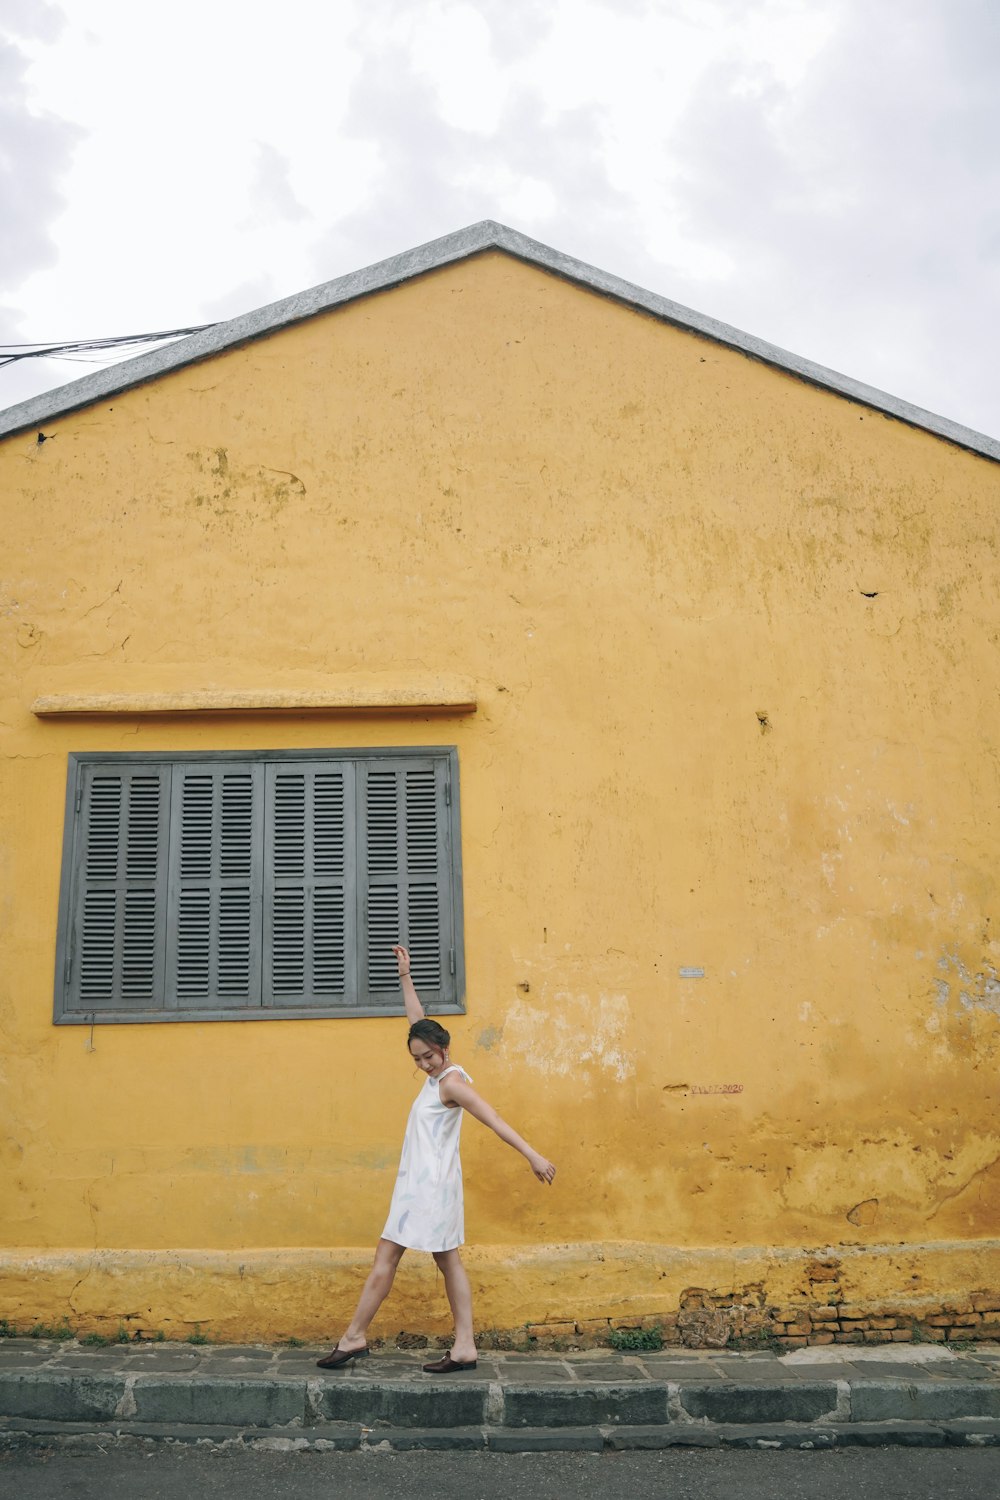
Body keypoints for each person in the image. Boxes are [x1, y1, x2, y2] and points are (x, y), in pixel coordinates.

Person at [317, 944, 556, 1374]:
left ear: (445, 1049)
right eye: (417, 1058)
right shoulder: (437, 1070)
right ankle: (461, 1345)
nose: (424, 1064)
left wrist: (532, 1155)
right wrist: (405, 977)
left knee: (391, 1258)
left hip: (427, 1188)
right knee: (446, 1261)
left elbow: (494, 1119)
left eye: (429, 1056)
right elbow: (417, 1019)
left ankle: (355, 1337)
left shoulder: (452, 1084)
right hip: (425, 1185)